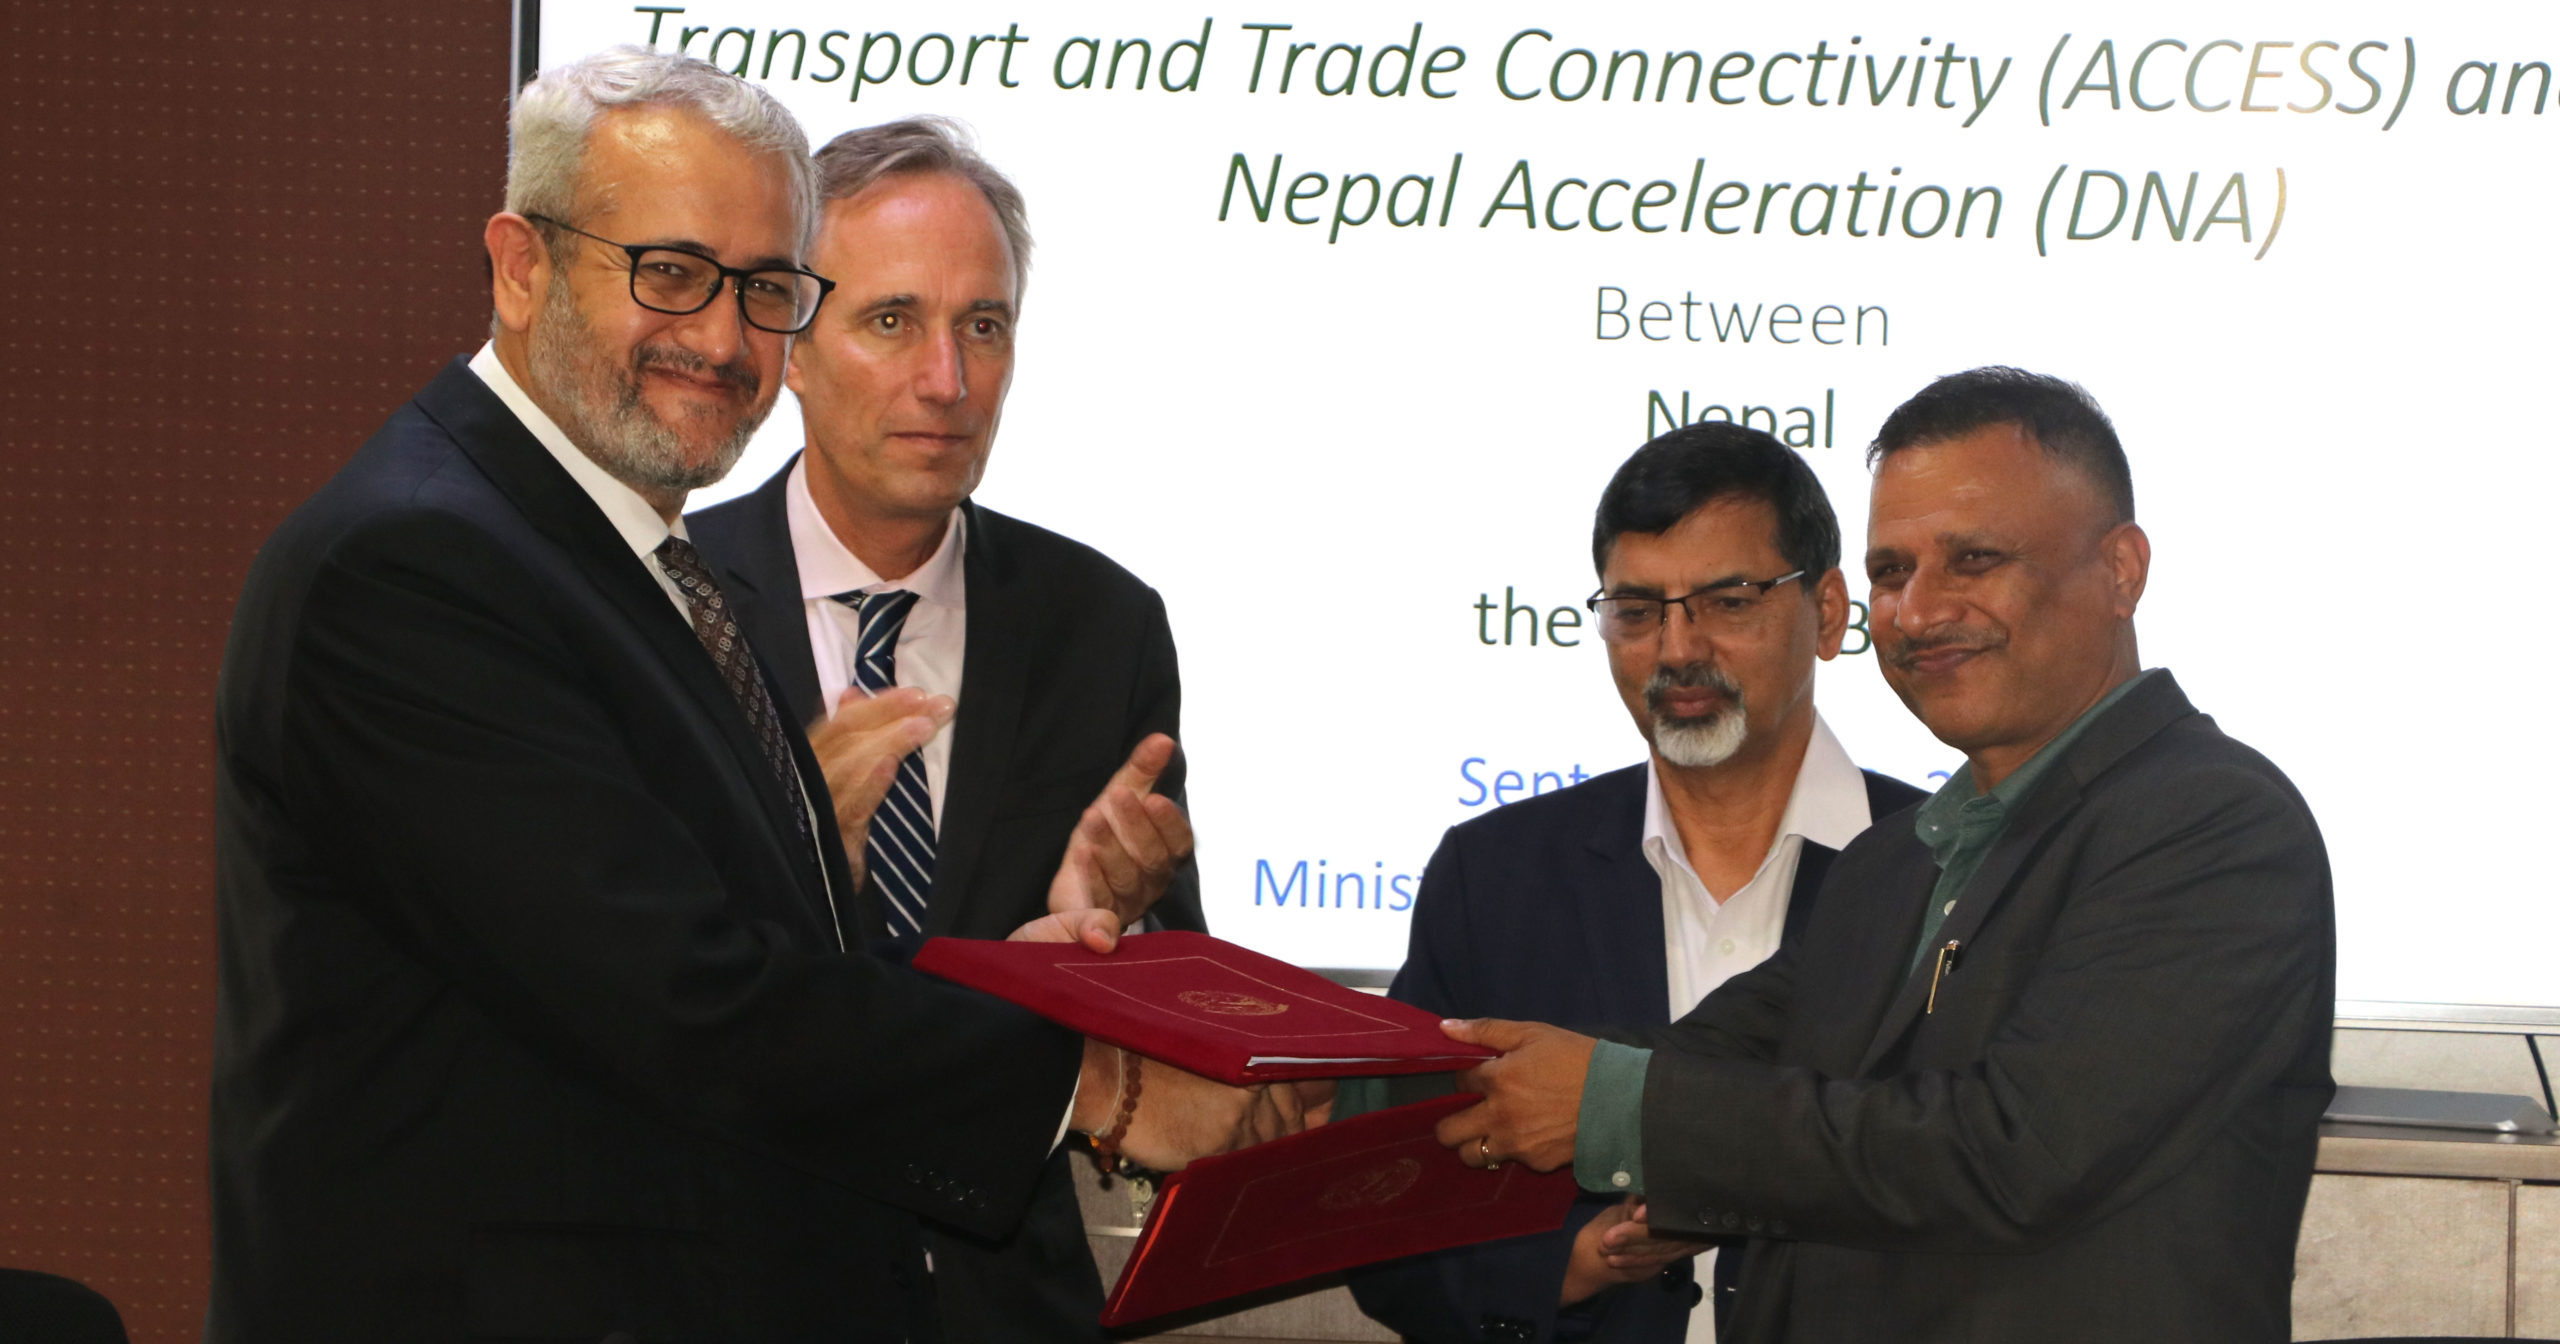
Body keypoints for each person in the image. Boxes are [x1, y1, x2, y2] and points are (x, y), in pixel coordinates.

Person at [207, 49, 1279, 1343]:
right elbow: (682, 1000)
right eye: (669, 272)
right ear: (521, 265)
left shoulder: (622, 561)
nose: (721, 340)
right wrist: (1091, 1081)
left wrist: (1028, 984)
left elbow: (753, 965)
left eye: (764, 288)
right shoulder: (417, 565)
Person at [1434, 369, 2335, 1344]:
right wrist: (1372, 1085)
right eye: (1891, 571)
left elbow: (2006, 1156)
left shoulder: (2213, 824)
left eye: (1973, 559)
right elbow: (1719, 1055)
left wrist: (1615, 1108)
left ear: (2121, 569)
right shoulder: (1899, 858)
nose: (1916, 611)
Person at [684, 116, 1205, 1342]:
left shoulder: (1101, 623)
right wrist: (792, 847)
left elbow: (1168, 1010)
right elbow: (642, 994)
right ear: (789, 343)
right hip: (729, 1288)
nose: (946, 381)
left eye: (983, 326)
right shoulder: (670, 605)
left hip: (1001, 1302)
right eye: (891, 321)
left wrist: (1115, 931)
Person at [1345, 425, 1921, 1344]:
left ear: (1828, 613)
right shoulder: (1492, 879)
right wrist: (1567, 1271)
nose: (1678, 649)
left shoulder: (1943, 867)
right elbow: (1384, 1208)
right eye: (1638, 609)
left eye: (1727, 602)